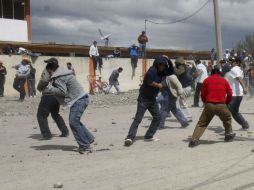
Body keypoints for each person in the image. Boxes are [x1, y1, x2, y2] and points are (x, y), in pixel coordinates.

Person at [45, 58, 94, 153]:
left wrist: (50, 87)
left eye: (49, 72)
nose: (49, 74)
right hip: (81, 98)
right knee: (75, 121)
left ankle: (85, 146)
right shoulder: (63, 72)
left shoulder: (59, 77)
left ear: (51, 70)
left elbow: (62, 92)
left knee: (73, 122)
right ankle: (88, 138)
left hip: (79, 100)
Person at [124, 56, 167, 146]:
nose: (164, 67)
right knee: (138, 119)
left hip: (152, 99)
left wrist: (168, 60)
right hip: (144, 99)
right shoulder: (152, 71)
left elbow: (171, 70)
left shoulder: (161, 72)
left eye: (165, 65)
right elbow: (150, 82)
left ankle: (149, 136)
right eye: (163, 65)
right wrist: (159, 86)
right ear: (158, 65)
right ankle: (129, 138)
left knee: (157, 117)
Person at [189, 68, 235, 147]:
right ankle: (228, 135)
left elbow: (203, 94)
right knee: (227, 119)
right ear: (219, 74)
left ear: (211, 73)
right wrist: (226, 103)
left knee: (202, 123)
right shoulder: (224, 81)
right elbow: (230, 93)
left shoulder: (207, 80)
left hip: (209, 104)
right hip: (221, 104)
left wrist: (205, 102)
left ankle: (194, 140)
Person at [37, 66, 69, 140]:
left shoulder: (48, 70)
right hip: (57, 96)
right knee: (55, 114)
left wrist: (39, 88)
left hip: (48, 95)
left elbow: (44, 81)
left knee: (41, 116)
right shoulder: (61, 71)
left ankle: (46, 135)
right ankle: (65, 131)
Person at [158, 63, 189, 129]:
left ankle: (160, 125)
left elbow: (178, 85)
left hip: (170, 96)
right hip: (166, 95)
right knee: (174, 110)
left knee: (163, 110)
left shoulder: (171, 76)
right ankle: (184, 122)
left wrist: (181, 94)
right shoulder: (163, 77)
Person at [227, 57, 250, 130]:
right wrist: (245, 87)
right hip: (238, 94)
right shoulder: (240, 70)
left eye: (232, 61)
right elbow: (242, 79)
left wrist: (244, 88)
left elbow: (239, 78)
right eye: (230, 61)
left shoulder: (234, 69)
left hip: (235, 95)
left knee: (227, 111)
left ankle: (228, 130)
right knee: (235, 112)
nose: (230, 62)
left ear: (237, 62)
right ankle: (245, 125)